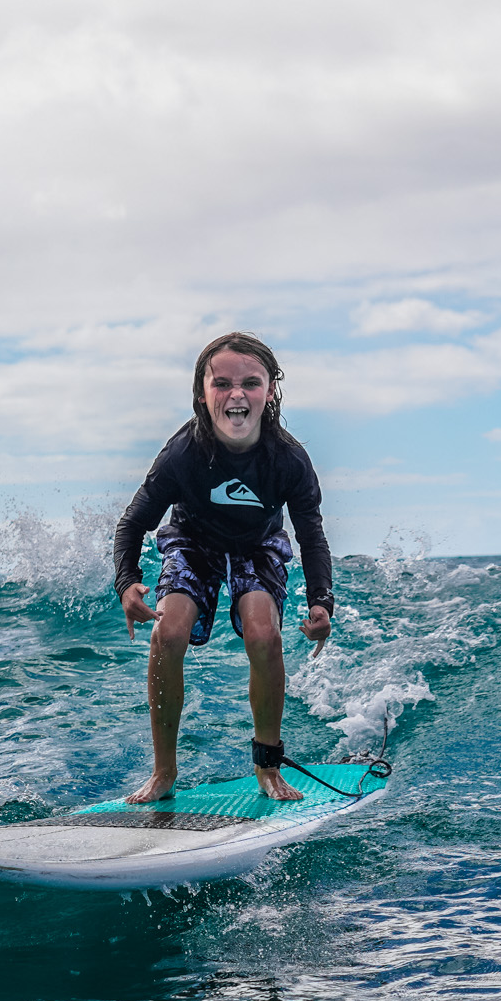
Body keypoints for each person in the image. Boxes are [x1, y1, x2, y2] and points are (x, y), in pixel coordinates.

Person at [113, 332, 333, 803]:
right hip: (194, 543)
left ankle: (268, 768)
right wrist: (128, 583)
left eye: (251, 383)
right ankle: (164, 773)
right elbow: (132, 524)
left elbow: (311, 534)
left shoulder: (288, 459)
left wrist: (321, 603)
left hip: (257, 545)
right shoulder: (182, 455)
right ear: (202, 393)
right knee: (167, 634)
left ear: (270, 391)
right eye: (222, 383)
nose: (237, 394)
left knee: (263, 634)